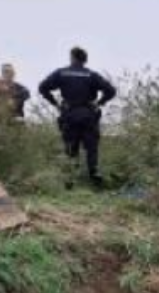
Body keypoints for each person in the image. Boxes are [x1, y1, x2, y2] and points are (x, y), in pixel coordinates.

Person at [38, 47, 116, 188]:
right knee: (91, 147)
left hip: (70, 114)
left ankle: (69, 180)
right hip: (88, 115)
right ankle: (94, 174)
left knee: (70, 148)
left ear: (72, 57)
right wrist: (99, 103)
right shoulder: (91, 75)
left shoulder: (61, 73)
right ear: (85, 60)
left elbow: (42, 87)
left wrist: (55, 103)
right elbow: (111, 91)